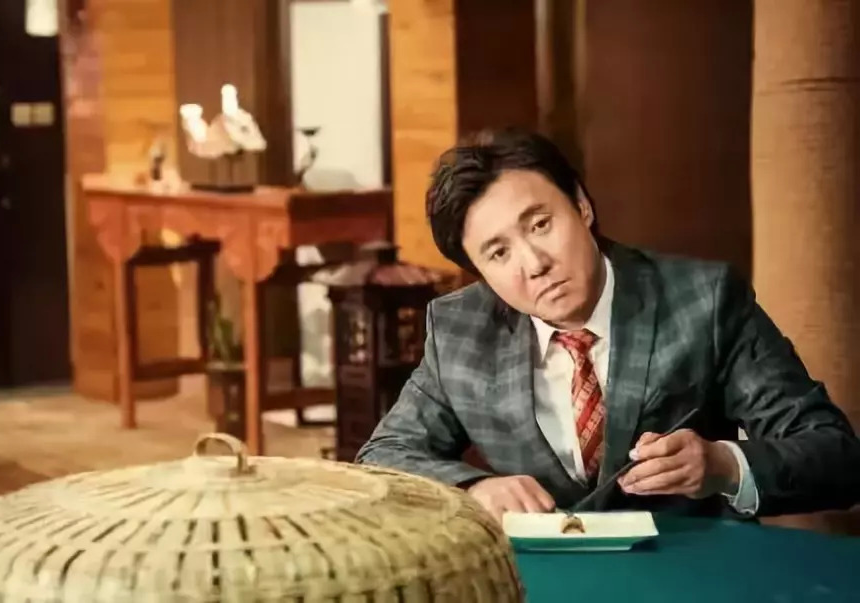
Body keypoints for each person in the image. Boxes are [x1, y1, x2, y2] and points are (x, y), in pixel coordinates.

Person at [355, 129, 860, 520]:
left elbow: (835, 456)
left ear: (581, 205)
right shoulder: (460, 329)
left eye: (540, 224)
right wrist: (474, 488)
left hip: (688, 577)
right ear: (479, 272)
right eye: (498, 253)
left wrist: (723, 465)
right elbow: (383, 456)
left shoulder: (704, 301)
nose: (534, 263)